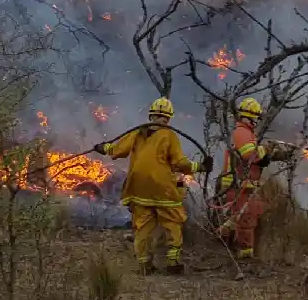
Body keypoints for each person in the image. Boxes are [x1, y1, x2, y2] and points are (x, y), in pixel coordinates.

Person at [94, 97, 211, 275]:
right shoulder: (169, 135)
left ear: (151, 115)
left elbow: (118, 150)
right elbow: (179, 163)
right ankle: (173, 263)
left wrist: (104, 148)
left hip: (138, 187)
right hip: (162, 188)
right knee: (172, 221)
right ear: (169, 118)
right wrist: (200, 167)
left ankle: (145, 265)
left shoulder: (137, 132)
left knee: (143, 226)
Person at [215, 97, 271, 265]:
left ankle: (221, 236)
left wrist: (267, 156)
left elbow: (251, 156)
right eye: (255, 118)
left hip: (243, 185)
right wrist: (265, 151)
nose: (256, 122)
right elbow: (248, 154)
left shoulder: (246, 133)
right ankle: (245, 257)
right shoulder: (242, 133)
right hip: (238, 184)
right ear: (250, 117)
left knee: (243, 216)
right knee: (246, 219)